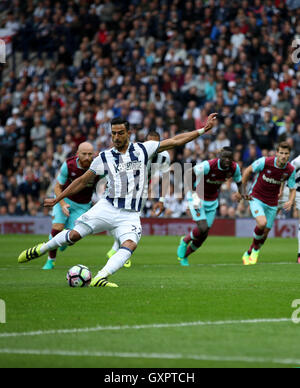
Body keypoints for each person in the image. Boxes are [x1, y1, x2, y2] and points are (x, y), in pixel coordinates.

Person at [18, 114, 217, 288]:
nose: (116, 137)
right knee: (76, 235)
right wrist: (58, 198)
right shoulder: (103, 157)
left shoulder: (143, 149)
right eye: (113, 133)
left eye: (120, 133)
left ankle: (100, 277)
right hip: (107, 206)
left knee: (130, 244)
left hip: (130, 214)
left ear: (128, 133)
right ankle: (42, 249)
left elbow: (175, 141)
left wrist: (201, 130)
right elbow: (82, 181)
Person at [105, 130, 171, 268]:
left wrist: (162, 200)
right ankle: (121, 250)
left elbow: (165, 178)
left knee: (131, 218)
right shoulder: (136, 151)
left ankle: (116, 250)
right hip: (126, 186)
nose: (153, 145)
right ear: (145, 143)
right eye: (149, 142)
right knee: (127, 218)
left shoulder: (164, 156)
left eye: (156, 143)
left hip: (142, 189)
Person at [177, 147, 243, 266]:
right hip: (197, 195)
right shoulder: (208, 165)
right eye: (225, 157)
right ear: (219, 157)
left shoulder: (234, 168)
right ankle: (185, 240)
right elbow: (188, 173)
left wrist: (240, 193)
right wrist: (192, 191)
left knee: (204, 234)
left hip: (212, 200)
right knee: (202, 228)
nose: (227, 160)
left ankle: (185, 256)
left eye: (230, 158)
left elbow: (239, 181)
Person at [42, 142, 99, 270]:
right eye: (84, 154)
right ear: (78, 153)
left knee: (74, 236)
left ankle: (63, 242)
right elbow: (57, 186)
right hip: (65, 199)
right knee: (57, 228)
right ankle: (51, 261)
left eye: (90, 154)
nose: (87, 157)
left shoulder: (98, 167)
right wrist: (62, 204)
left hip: (83, 206)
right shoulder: (69, 165)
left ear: (94, 154)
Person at [241, 142, 296, 265]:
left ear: (289, 155)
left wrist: (291, 200)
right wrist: (242, 191)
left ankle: (249, 252)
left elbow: (292, 188)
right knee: (262, 223)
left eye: (286, 153)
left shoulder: (290, 170)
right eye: (281, 153)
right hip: (256, 197)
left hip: (272, 202)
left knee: (265, 233)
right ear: (277, 153)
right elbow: (248, 170)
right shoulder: (265, 162)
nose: (283, 155)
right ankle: (255, 250)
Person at [278, 155, 300, 263]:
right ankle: (257, 243)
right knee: (271, 215)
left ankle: (299, 255)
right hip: (289, 190)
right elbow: (285, 174)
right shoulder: (297, 161)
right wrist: (281, 189)